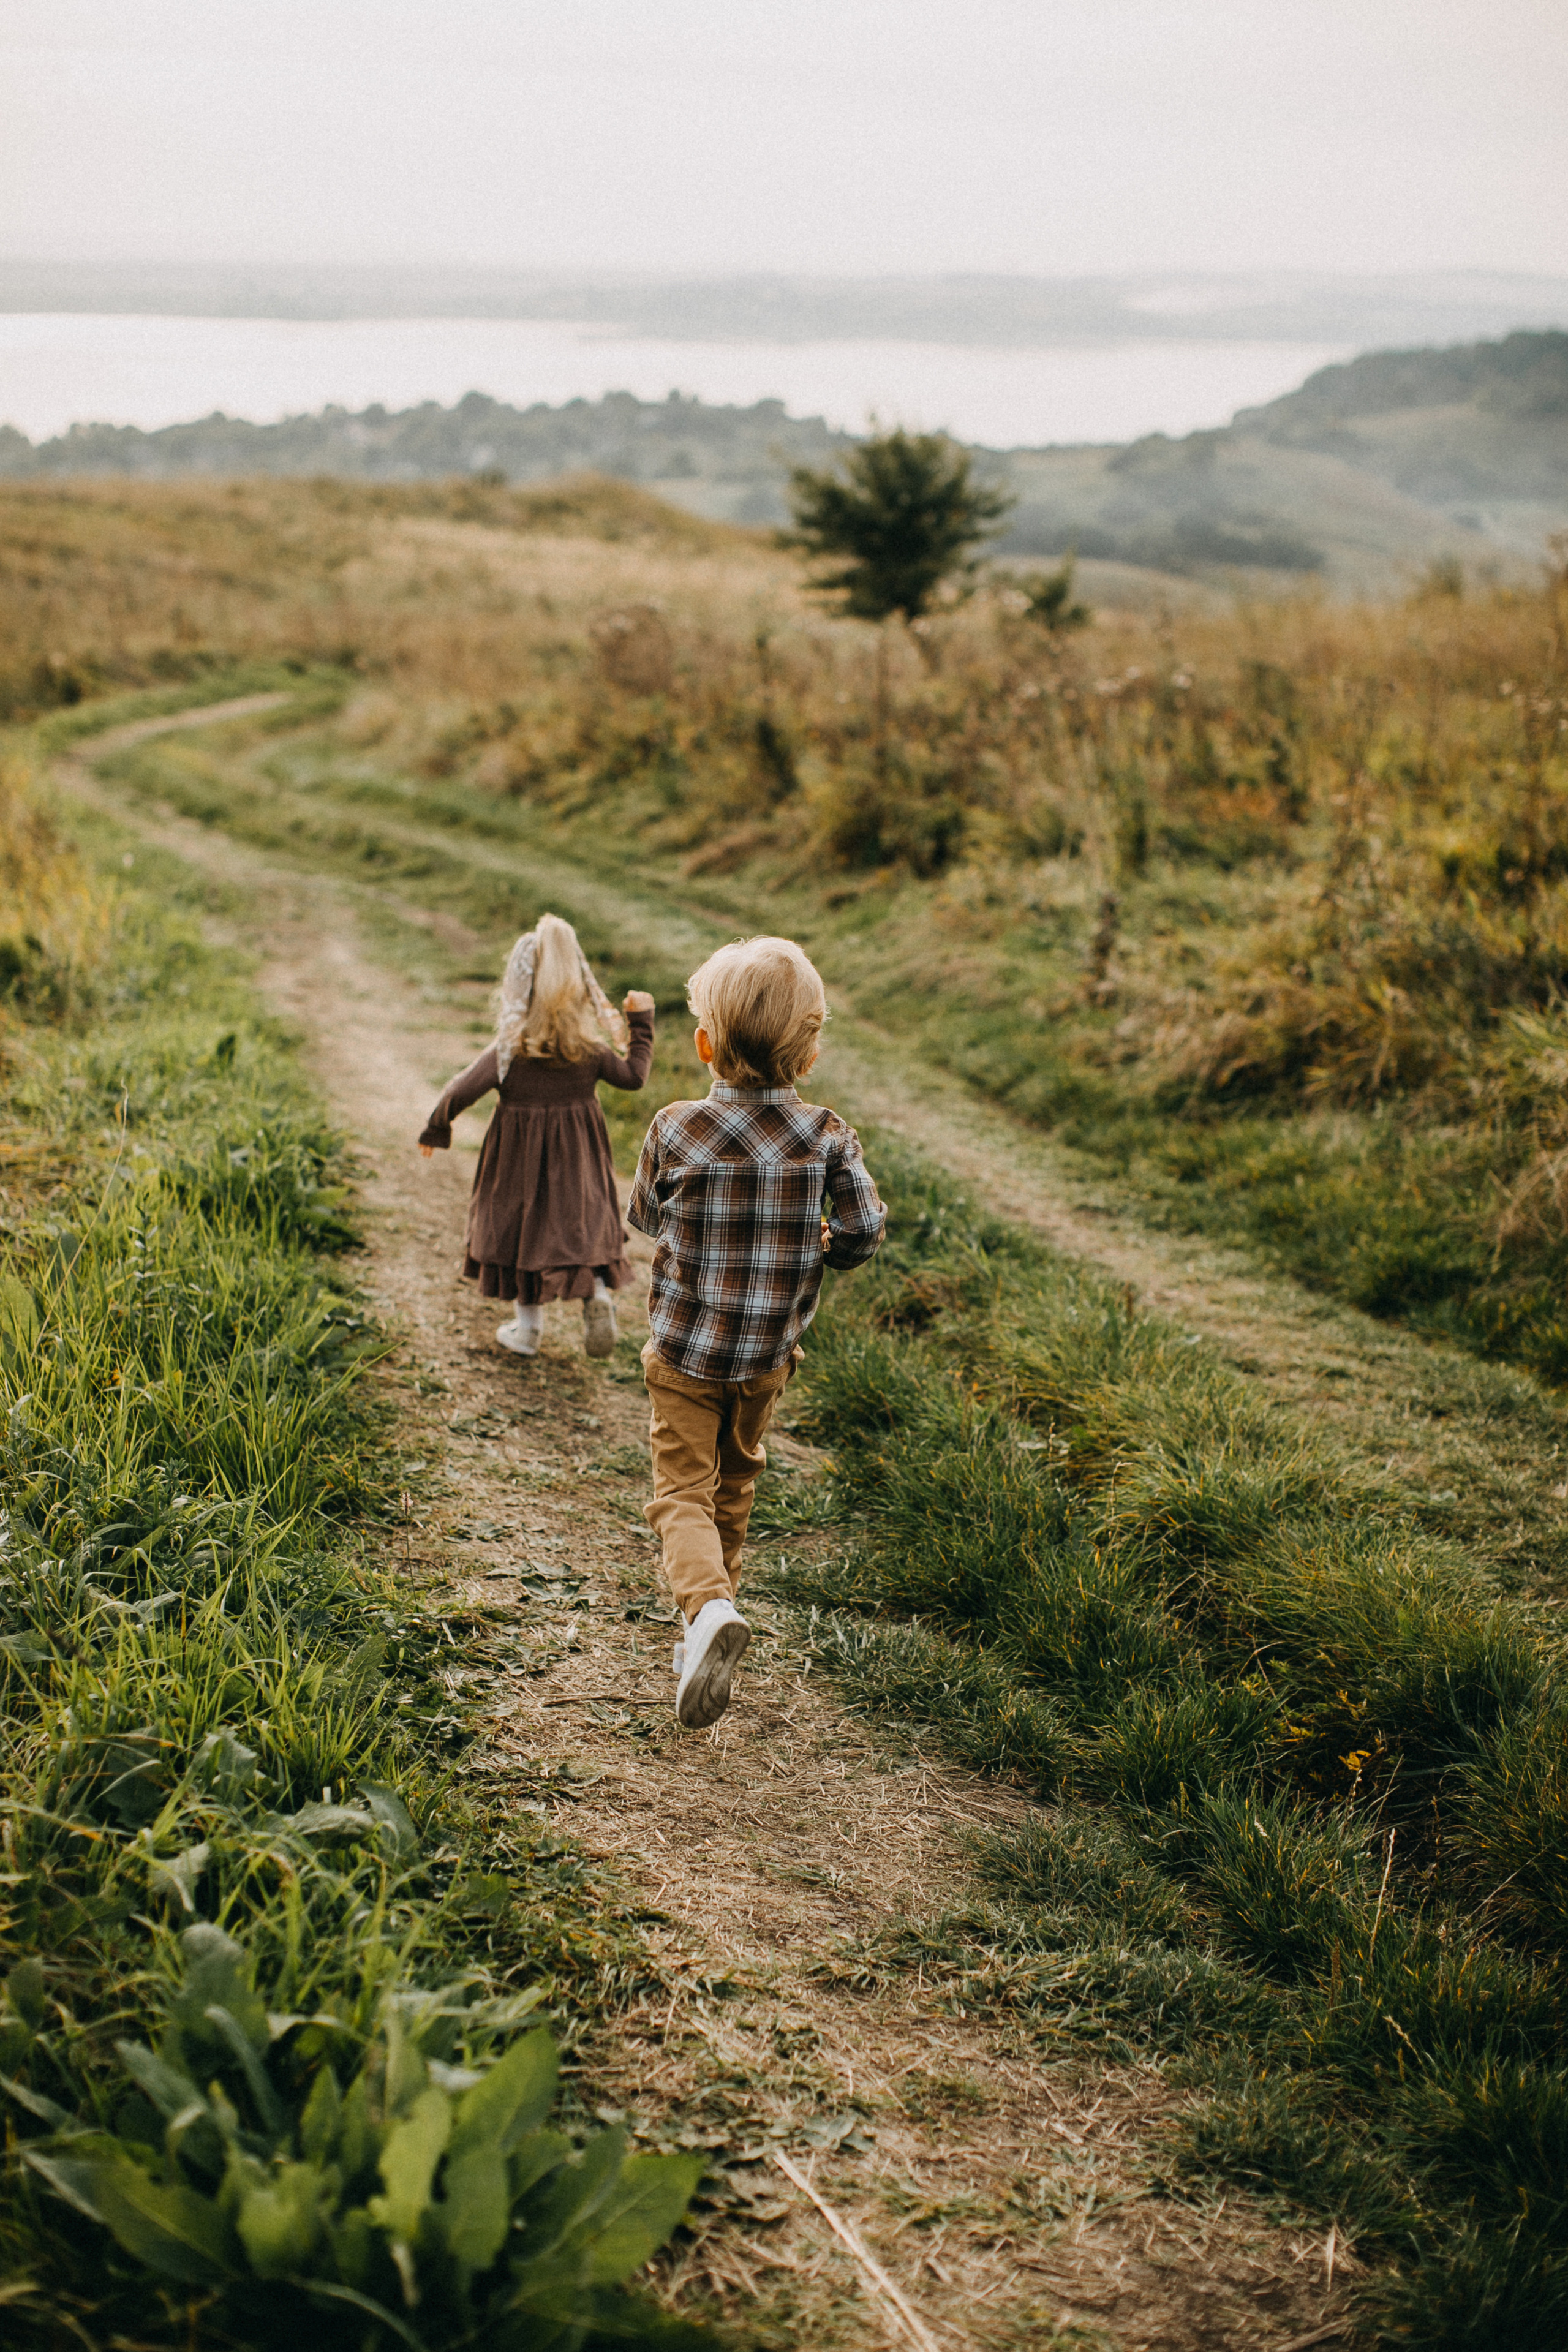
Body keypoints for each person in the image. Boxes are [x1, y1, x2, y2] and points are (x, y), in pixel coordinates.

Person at [627, 935, 885, 1728]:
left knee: (680, 1494)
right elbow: (865, 1231)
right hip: (767, 1357)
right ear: (808, 1056)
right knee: (733, 1484)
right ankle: (705, 1626)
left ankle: (705, 1609)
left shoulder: (675, 1128)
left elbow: (644, 1218)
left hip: (684, 1352)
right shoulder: (827, 1136)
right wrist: (824, 1245)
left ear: (705, 1043)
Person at [419, 913, 654, 1359]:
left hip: (518, 1163)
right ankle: (598, 1294)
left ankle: (527, 1331)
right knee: (583, 1223)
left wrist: (438, 1125)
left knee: (522, 1233)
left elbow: (461, 1088)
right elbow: (633, 1077)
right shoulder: (590, 1050)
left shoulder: (510, 1052)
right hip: (580, 1159)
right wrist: (640, 1024)